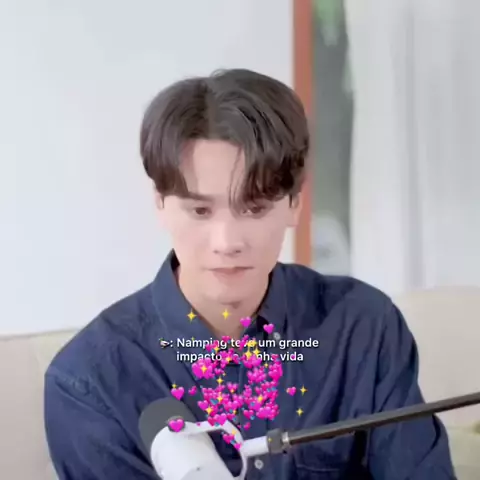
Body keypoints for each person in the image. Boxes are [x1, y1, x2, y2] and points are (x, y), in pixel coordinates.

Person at [44, 69, 455, 479]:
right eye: (200, 210)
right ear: (160, 203)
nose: (227, 242)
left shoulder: (363, 328)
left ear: (294, 204)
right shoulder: (90, 381)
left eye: (254, 208)